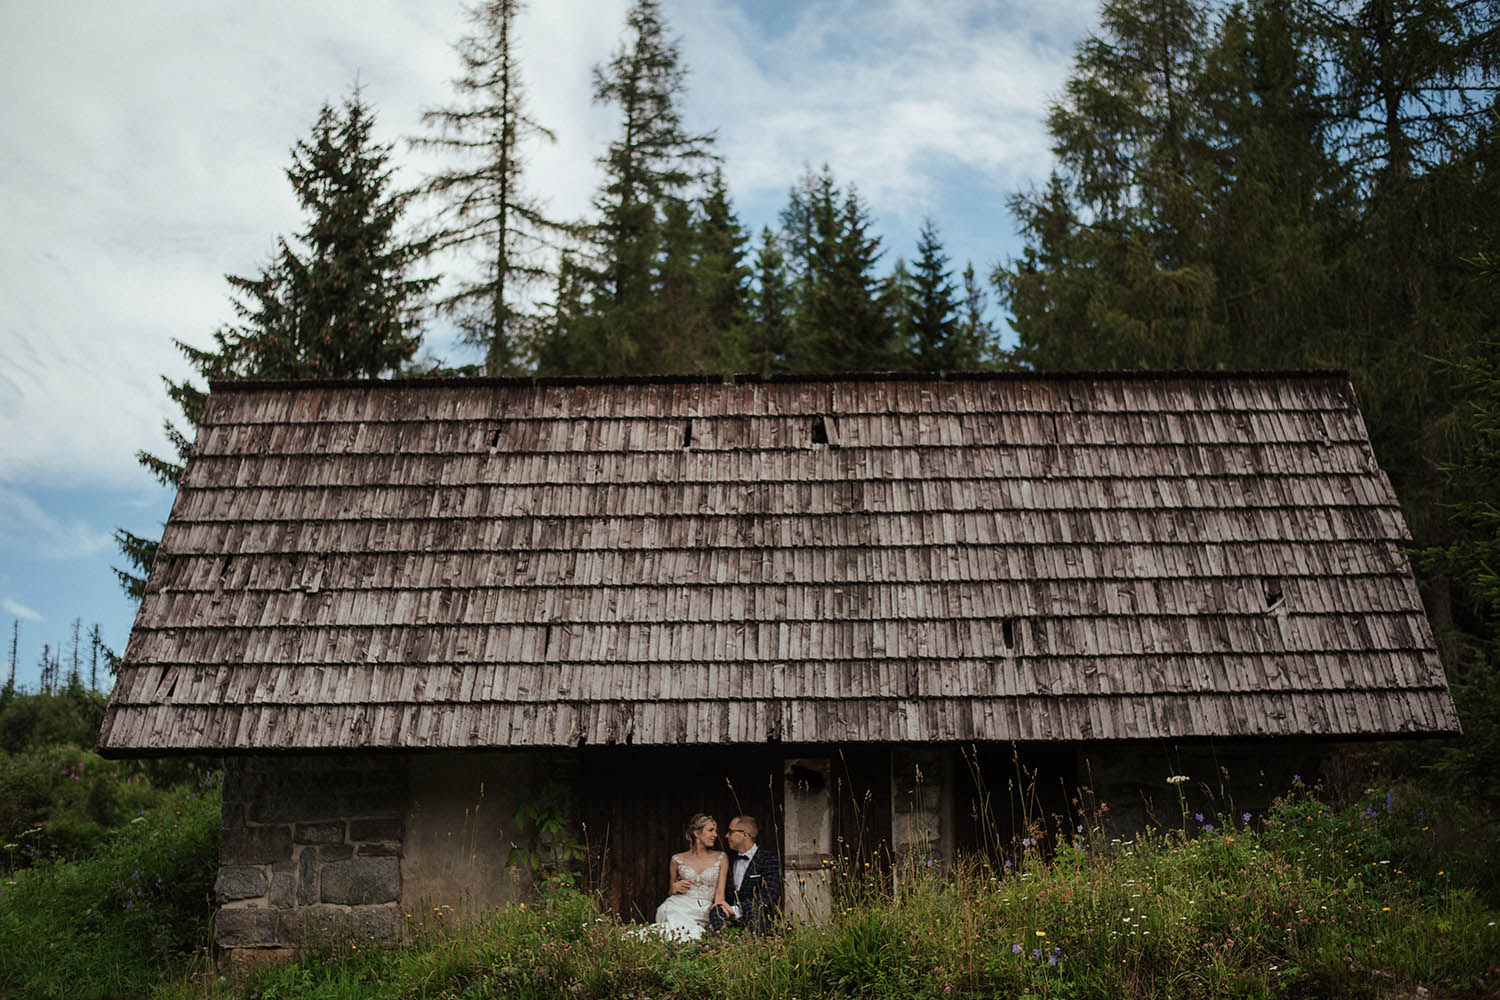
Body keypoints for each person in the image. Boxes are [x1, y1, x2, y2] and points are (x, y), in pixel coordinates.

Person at [645, 813, 728, 941]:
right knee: (669, 914)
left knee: (689, 933)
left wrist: (717, 915)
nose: (715, 835)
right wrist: (675, 887)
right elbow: (671, 891)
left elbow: (720, 896)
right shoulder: (677, 859)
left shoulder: (721, 858)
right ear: (697, 833)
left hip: (703, 907)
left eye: (716, 831)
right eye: (711, 830)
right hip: (677, 904)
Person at [709, 814, 781, 934]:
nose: (726, 836)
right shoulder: (727, 858)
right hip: (729, 914)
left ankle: (755, 948)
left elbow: (769, 895)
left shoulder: (768, 859)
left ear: (744, 834)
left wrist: (737, 910)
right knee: (715, 912)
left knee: (756, 914)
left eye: (730, 832)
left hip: (757, 915)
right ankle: (724, 946)